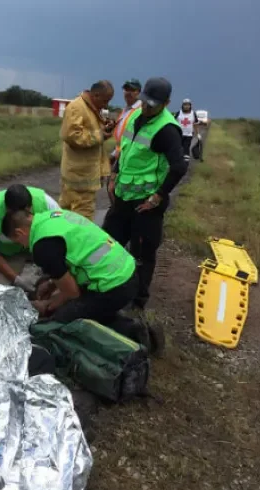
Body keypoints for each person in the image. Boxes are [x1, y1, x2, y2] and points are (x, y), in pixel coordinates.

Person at [1, 208, 153, 350]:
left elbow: (72, 294)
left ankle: (132, 331)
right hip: (126, 269)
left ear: (19, 233)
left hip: (115, 285)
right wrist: (52, 283)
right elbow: (69, 256)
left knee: (60, 322)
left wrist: (50, 304)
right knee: (83, 307)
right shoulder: (53, 216)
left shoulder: (42, 246)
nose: (22, 246)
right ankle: (117, 320)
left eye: (18, 243)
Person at [104, 77, 187, 313]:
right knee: (108, 242)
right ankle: (104, 284)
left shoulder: (167, 129)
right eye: (145, 102)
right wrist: (114, 174)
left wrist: (159, 196)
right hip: (123, 197)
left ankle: (136, 303)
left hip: (146, 205)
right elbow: (126, 150)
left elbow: (179, 167)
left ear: (167, 103)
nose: (147, 108)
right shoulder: (135, 118)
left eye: (153, 104)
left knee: (142, 253)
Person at [0, 184, 61, 291]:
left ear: (30, 207)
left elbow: (62, 242)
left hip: (42, 248)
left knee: (59, 287)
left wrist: (52, 278)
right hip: (6, 255)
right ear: (7, 209)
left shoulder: (47, 204)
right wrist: (16, 279)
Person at [58, 80, 115, 220]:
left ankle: (64, 240)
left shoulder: (90, 108)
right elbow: (72, 136)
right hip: (80, 177)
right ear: (95, 95)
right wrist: (100, 135)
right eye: (105, 100)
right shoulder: (77, 107)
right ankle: (75, 241)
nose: (106, 105)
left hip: (82, 174)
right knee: (82, 219)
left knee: (67, 215)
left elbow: (89, 132)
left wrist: (103, 130)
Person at [110, 79, 143, 164]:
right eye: (126, 89)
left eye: (132, 90)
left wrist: (121, 151)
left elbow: (144, 140)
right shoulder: (125, 110)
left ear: (139, 92)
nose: (128, 92)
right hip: (119, 154)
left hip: (130, 157)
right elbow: (122, 131)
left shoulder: (142, 110)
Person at [174, 98, 199, 164]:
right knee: (178, 148)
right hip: (179, 135)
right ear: (182, 105)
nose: (186, 106)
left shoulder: (193, 113)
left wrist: (197, 134)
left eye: (188, 105)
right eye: (185, 105)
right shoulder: (178, 113)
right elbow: (173, 122)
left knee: (186, 148)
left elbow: (195, 124)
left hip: (189, 135)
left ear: (190, 106)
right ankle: (178, 161)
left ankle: (185, 163)